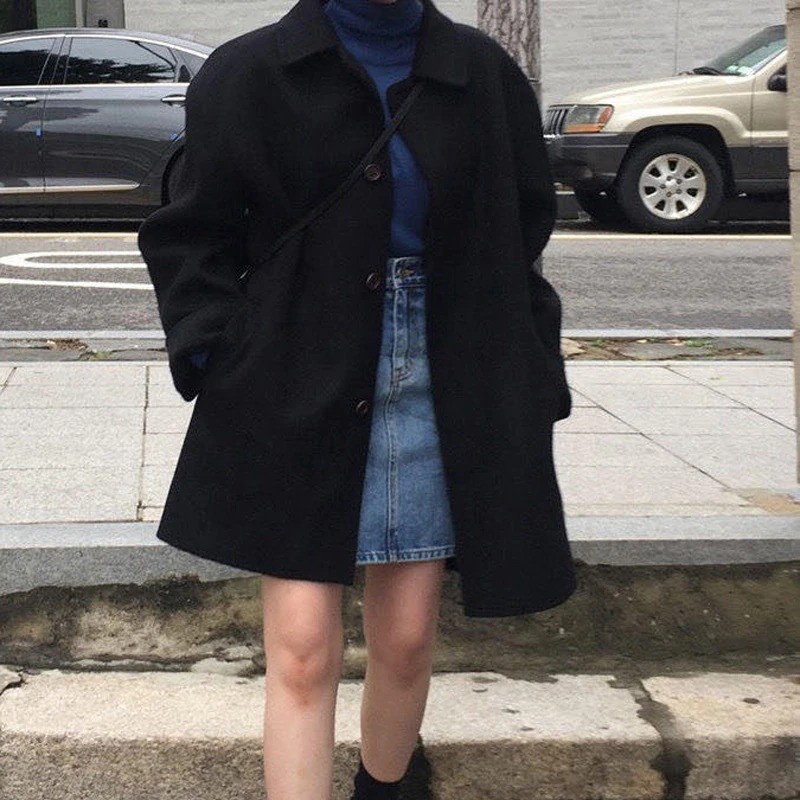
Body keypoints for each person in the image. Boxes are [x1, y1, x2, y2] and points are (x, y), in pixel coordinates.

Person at [137, 0, 577, 797]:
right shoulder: (249, 73)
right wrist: (218, 348)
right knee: (304, 646)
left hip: (443, 363)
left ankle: (387, 785)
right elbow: (192, 232)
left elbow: (522, 228)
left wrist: (529, 366)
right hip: (295, 365)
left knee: (406, 639)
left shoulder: (482, 74)